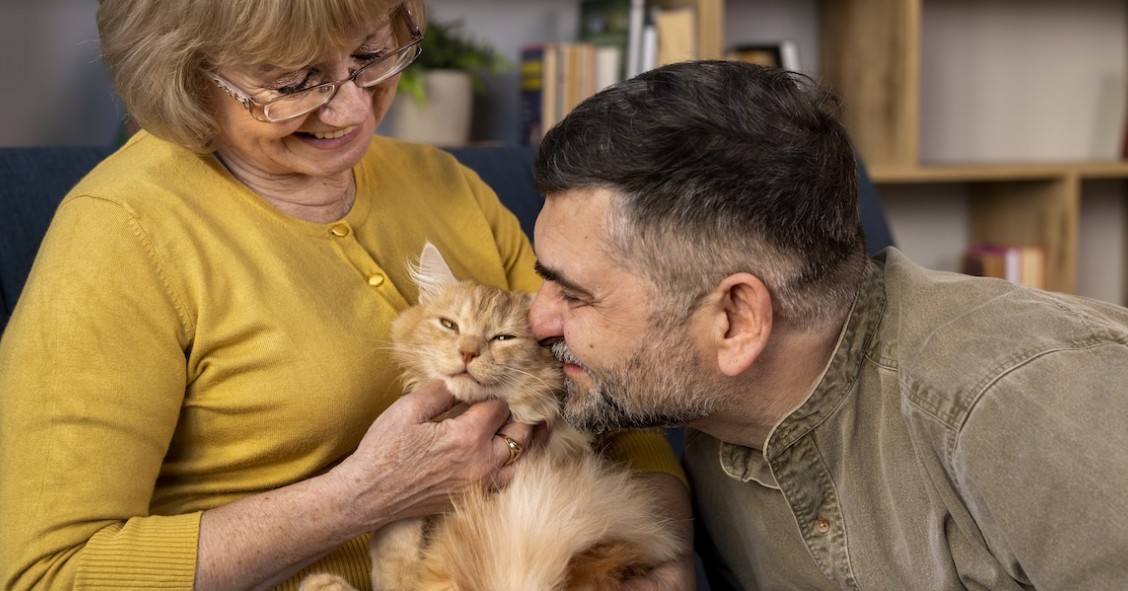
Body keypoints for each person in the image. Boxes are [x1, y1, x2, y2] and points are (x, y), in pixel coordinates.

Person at [0, 1, 691, 589]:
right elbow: (48, 570)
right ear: (187, 73)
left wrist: (666, 554)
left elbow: (618, 407)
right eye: (295, 81)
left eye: (370, 56)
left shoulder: (448, 186)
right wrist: (359, 498)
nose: (353, 108)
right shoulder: (120, 233)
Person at [527, 59, 1128, 590]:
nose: (538, 318)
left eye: (575, 295)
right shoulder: (712, 420)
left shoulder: (1023, 403)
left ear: (735, 320)